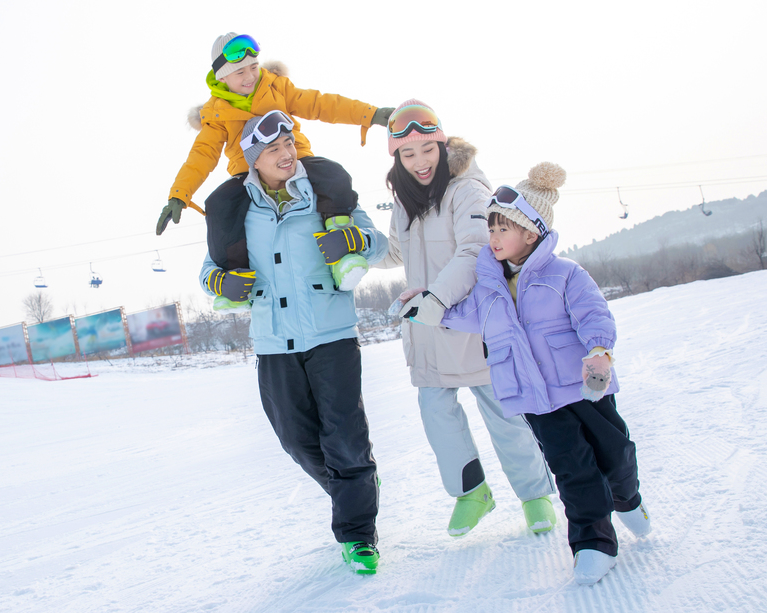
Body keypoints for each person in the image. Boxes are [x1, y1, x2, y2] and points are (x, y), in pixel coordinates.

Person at [418, 161, 651, 585]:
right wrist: (429, 307)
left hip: (583, 387)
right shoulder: (488, 286)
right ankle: (594, 544)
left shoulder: (565, 274)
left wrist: (599, 351)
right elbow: (466, 315)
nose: (493, 237)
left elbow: (593, 314)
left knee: (615, 455)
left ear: (531, 233)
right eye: (490, 228)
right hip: (535, 398)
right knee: (572, 469)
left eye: (503, 228)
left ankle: (628, 499)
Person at [199, 111, 389, 574]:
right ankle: (358, 488)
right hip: (273, 343)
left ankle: (358, 535)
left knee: (344, 438)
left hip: (331, 335)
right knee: (296, 440)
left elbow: (379, 244)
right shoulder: (235, 210)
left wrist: (351, 239)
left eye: (288, 144)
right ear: (253, 160)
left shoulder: (325, 192)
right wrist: (222, 283)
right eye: (273, 149)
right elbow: (207, 272)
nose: (286, 153)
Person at [376, 100, 557, 539]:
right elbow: (396, 252)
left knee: (504, 413)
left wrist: (437, 298)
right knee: (436, 413)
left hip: (474, 322)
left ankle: (535, 495)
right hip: (427, 328)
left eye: (427, 149)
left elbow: (475, 249)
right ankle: (472, 492)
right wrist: (356, 243)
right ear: (397, 157)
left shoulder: (467, 190)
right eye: (407, 154)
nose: (420, 161)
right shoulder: (404, 202)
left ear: (442, 146)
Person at [162, 33, 393, 306]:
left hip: (298, 159)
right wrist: (179, 195)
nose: (250, 76)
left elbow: (321, 104)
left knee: (333, 175)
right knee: (219, 203)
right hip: (246, 174)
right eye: (239, 72)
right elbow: (201, 156)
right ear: (222, 77)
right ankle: (235, 280)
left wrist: (370, 114)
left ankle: (341, 256)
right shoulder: (216, 113)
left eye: (253, 67)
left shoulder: (275, 88)